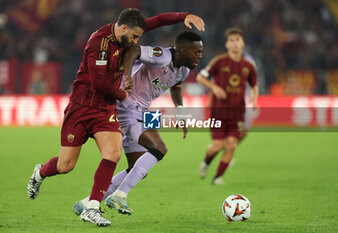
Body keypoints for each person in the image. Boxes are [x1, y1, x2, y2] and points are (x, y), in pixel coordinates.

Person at [26, 8, 205, 227]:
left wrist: (183, 16)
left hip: (115, 108)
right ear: (122, 28)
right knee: (65, 165)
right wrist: (125, 85)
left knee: (129, 161)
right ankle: (42, 173)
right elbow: (101, 82)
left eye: (139, 36)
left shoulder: (180, 68)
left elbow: (156, 23)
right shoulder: (99, 44)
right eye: (135, 37)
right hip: (88, 107)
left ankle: (91, 205)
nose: (136, 41)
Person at [72, 31, 203, 216]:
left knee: (139, 167)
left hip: (143, 109)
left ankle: (88, 202)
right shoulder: (162, 55)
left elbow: (176, 86)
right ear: (182, 50)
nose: (200, 56)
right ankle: (119, 196)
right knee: (159, 148)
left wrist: (180, 112)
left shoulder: (184, 70)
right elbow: (133, 50)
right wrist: (127, 75)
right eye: (196, 52)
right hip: (128, 105)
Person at [197, 27, 258, 185]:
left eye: (238, 40)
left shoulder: (248, 66)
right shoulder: (219, 61)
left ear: (242, 43)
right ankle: (206, 161)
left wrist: (255, 98)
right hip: (219, 112)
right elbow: (200, 77)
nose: (235, 43)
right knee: (217, 147)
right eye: (232, 40)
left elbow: (254, 84)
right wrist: (214, 87)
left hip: (237, 113)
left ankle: (217, 177)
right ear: (227, 44)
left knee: (231, 146)